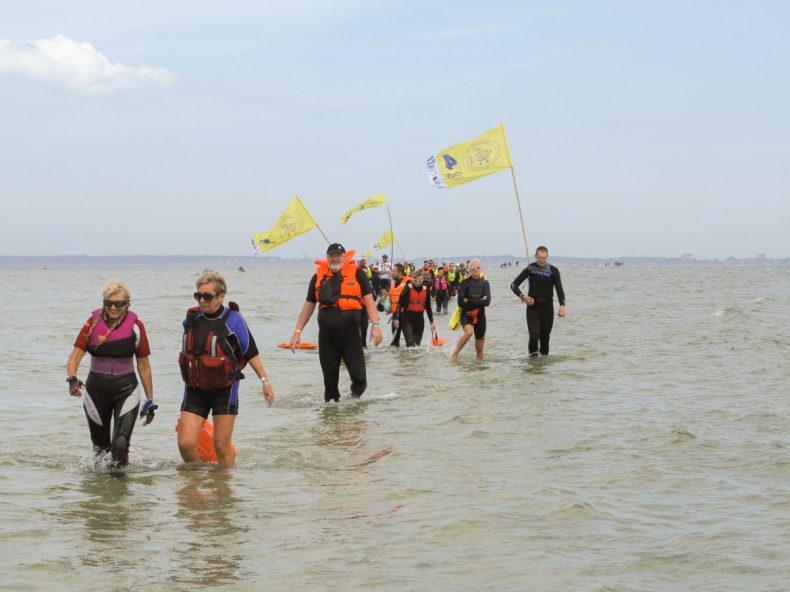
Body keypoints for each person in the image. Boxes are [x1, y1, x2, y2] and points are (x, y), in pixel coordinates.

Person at [177, 270, 274, 467]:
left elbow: (250, 351)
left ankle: (225, 489)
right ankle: (197, 484)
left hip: (225, 390)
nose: (202, 301)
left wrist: (265, 382)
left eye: (207, 296)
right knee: (185, 444)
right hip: (195, 390)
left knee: (221, 446)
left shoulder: (234, 319)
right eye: (198, 295)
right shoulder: (192, 318)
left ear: (221, 296)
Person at [66, 280, 155, 466]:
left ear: (127, 304)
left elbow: (144, 366)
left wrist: (150, 400)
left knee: (120, 444)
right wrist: (72, 380)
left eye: (119, 303)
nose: (113, 307)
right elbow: (74, 357)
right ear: (104, 303)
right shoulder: (92, 324)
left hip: (127, 391)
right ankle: (102, 492)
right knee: (100, 451)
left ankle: (121, 490)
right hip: (95, 392)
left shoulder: (136, 327)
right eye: (109, 303)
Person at [290, 244, 383, 402]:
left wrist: (375, 325)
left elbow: (369, 301)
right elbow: (309, 305)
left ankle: (351, 404)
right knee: (330, 386)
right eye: (331, 255)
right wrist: (297, 332)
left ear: (345, 257)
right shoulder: (318, 277)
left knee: (360, 379)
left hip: (351, 337)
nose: (335, 258)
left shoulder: (357, 274)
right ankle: (332, 422)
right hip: (327, 338)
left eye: (338, 255)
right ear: (326, 258)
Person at [510, 246, 566, 357]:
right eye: (539, 257)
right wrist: (523, 297)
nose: (542, 260)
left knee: (545, 336)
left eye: (544, 258)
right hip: (533, 306)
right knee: (534, 335)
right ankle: (533, 362)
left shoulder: (553, 270)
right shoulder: (530, 269)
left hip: (547, 306)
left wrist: (562, 306)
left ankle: (543, 366)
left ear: (547, 257)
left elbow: (559, 290)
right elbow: (513, 285)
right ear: (535, 256)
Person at [450, 259, 491, 362]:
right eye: (473, 268)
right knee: (469, 332)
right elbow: (461, 303)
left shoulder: (485, 283)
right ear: (469, 270)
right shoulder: (465, 283)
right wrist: (479, 301)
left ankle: (480, 367)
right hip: (466, 314)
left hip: (480, 315)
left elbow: (487, 303)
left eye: (478, 268)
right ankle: (455, 354)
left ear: (481, 268)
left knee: (480, 348)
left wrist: (469, 300)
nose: (476, 270)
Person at [393, 269, 435, 346]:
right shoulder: (407, 288)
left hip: (419, 319)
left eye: (420, 281)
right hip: (407, 318)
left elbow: (428, 307)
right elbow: (400, 304)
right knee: (410, 343)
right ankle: (407, 358)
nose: (418, 283)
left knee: (417, 344)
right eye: (416, 281)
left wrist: (431, 322)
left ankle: (415, 358)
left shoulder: (426, 290)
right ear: (413, 279)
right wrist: (397, 318)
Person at [387, 263, 409, 346]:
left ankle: (409, 358)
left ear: (399, 272)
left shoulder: (408, 281)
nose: (391, 273)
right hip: (395, 314)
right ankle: (396, 358)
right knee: (394, 342)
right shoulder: (393, 284)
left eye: (393, 271)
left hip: (405, 315)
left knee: (409, 342)